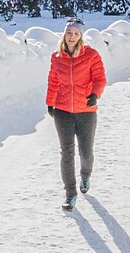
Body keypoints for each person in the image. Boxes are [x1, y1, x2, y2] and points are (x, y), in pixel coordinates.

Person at [45, 17, 105, 211]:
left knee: (86, 151)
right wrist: (50, 102)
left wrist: (95, 94)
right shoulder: (57, 57)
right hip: (63, 110)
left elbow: (100, 78)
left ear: (81, 36)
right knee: (67, 152)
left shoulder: (91, 55)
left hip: (86, 110)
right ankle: (70, 193)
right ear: (64, 34)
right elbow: (53, 81)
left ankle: (85, 175)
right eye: (69, 33)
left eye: (76, 33)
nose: (72, 36)